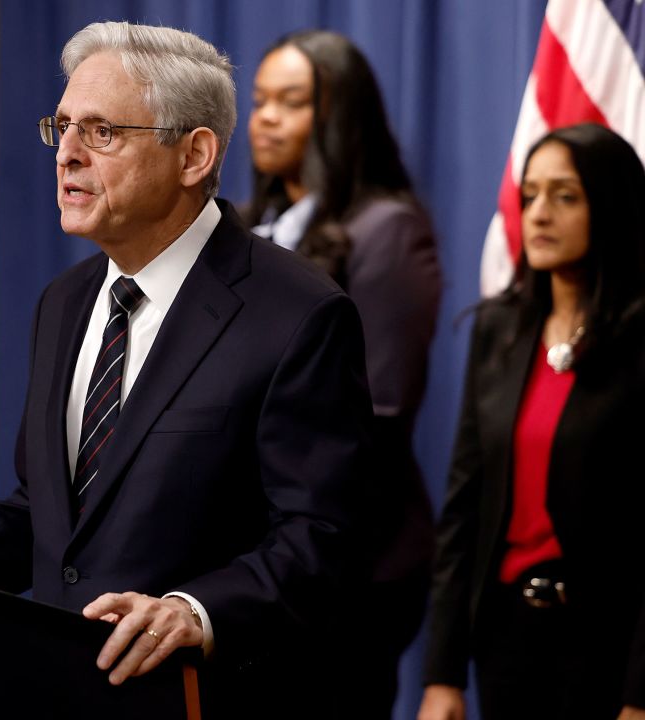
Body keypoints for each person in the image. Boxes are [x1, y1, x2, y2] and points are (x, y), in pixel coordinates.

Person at [0, 21, 373, 716]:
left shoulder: (299, 314)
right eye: (61, 128)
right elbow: (45, 515)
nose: (66, 156)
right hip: (59, 689)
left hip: (204, 697)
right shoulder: (64, 302)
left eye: (101, 132)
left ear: (194, 154)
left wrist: (196, 610)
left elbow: (323, 537)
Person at [243, 30, 441, 718]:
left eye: (289, 102)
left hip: (353, 565)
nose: (263, 117)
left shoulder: (389, 229)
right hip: (255, 561)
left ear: (338, 117)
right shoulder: (248, 226)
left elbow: (382, 414)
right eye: (260, 99)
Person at [418, 123, 645, 720]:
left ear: (613, 205)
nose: (539, 214)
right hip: (507, 643)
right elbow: (464, 512)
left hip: (612, 649)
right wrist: (442, 674)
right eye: (530, 196)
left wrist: (639, 693)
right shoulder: (499, 328)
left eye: (565, 196)